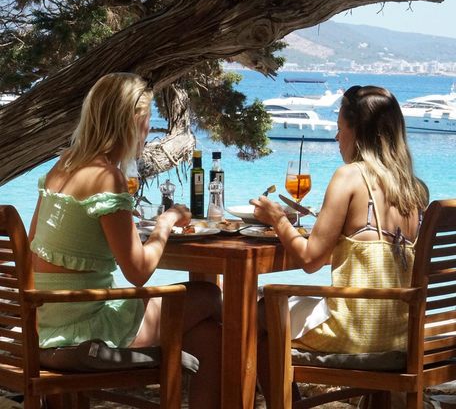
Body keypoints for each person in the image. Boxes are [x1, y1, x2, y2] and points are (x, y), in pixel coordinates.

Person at [28, 72, 221, 408]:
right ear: (132, 122)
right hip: (83, 330)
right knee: (209, 295)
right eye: (147, 121)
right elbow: (139, 272)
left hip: (41, 325)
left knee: (207, 335)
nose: (148, 131)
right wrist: (166, 221)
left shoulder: (61, 167)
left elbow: (35, 248)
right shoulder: (107, 176)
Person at [250, 85, 429, 405]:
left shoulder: (349, 176)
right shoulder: (414, 189)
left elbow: (309, 260)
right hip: (402, 334)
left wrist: (278, 219)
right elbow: (376, 255)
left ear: (357, 131)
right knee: (272, 309)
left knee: (257, 312)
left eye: (339, 128)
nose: (336, 137)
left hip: (356, 331)